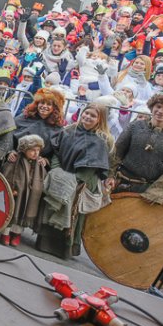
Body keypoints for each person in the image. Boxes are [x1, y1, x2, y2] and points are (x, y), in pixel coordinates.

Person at [38, 104, 113, 258]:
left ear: (100, 120)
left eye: (93, 116)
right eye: (86, 113)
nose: (88, 117)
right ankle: (44, 243)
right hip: (62, 174)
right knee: (53, 206)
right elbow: (56, 153)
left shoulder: (100, 141)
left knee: (71, 212)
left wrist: (73, 180)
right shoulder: (68, 131)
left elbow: (92, 167)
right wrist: (57, 171)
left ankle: (64, 249)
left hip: (81, 181)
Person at [113, 92, 163, 193]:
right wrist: (110, 176)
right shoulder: (135, 126)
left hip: (148, 192)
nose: (161, 111)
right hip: (121, 183)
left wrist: (155, 193)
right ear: (152, 107)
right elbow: (116, 154)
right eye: (158, 106)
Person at [0, 134, 47, 247]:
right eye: (32, 150)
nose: (36, 153)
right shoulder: (16, 160)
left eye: (38, 150)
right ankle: (5, 233)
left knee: (24, 211)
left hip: (30, 194)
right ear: (24, 149)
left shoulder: (39, 163)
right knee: (13, 211)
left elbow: (43, 177)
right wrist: (11, 188)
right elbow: (8, 173)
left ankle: (17, 233)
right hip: (17, 192)